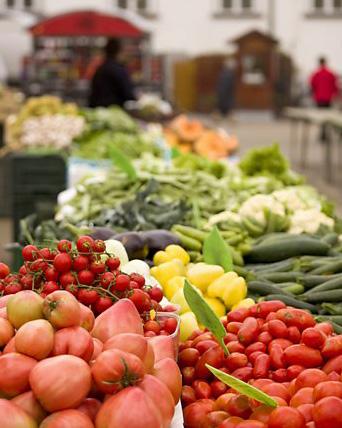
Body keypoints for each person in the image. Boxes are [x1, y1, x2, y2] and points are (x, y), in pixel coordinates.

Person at [89, 38, 136, 108]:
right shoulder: (119, 70)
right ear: (119, 51)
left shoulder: (100, 69)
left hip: (97, 110)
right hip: (114, 111)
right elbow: (129, 94)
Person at [310, 57, 339, 141]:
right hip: (328, 98)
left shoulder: (316, 73)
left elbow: (312, 85)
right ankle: (325, 133)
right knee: (327, 116)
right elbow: (335, 86)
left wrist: (314, 94)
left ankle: (322, 134)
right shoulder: (331, 73)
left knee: (321, 117)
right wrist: (335, 95)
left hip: (319, 99)